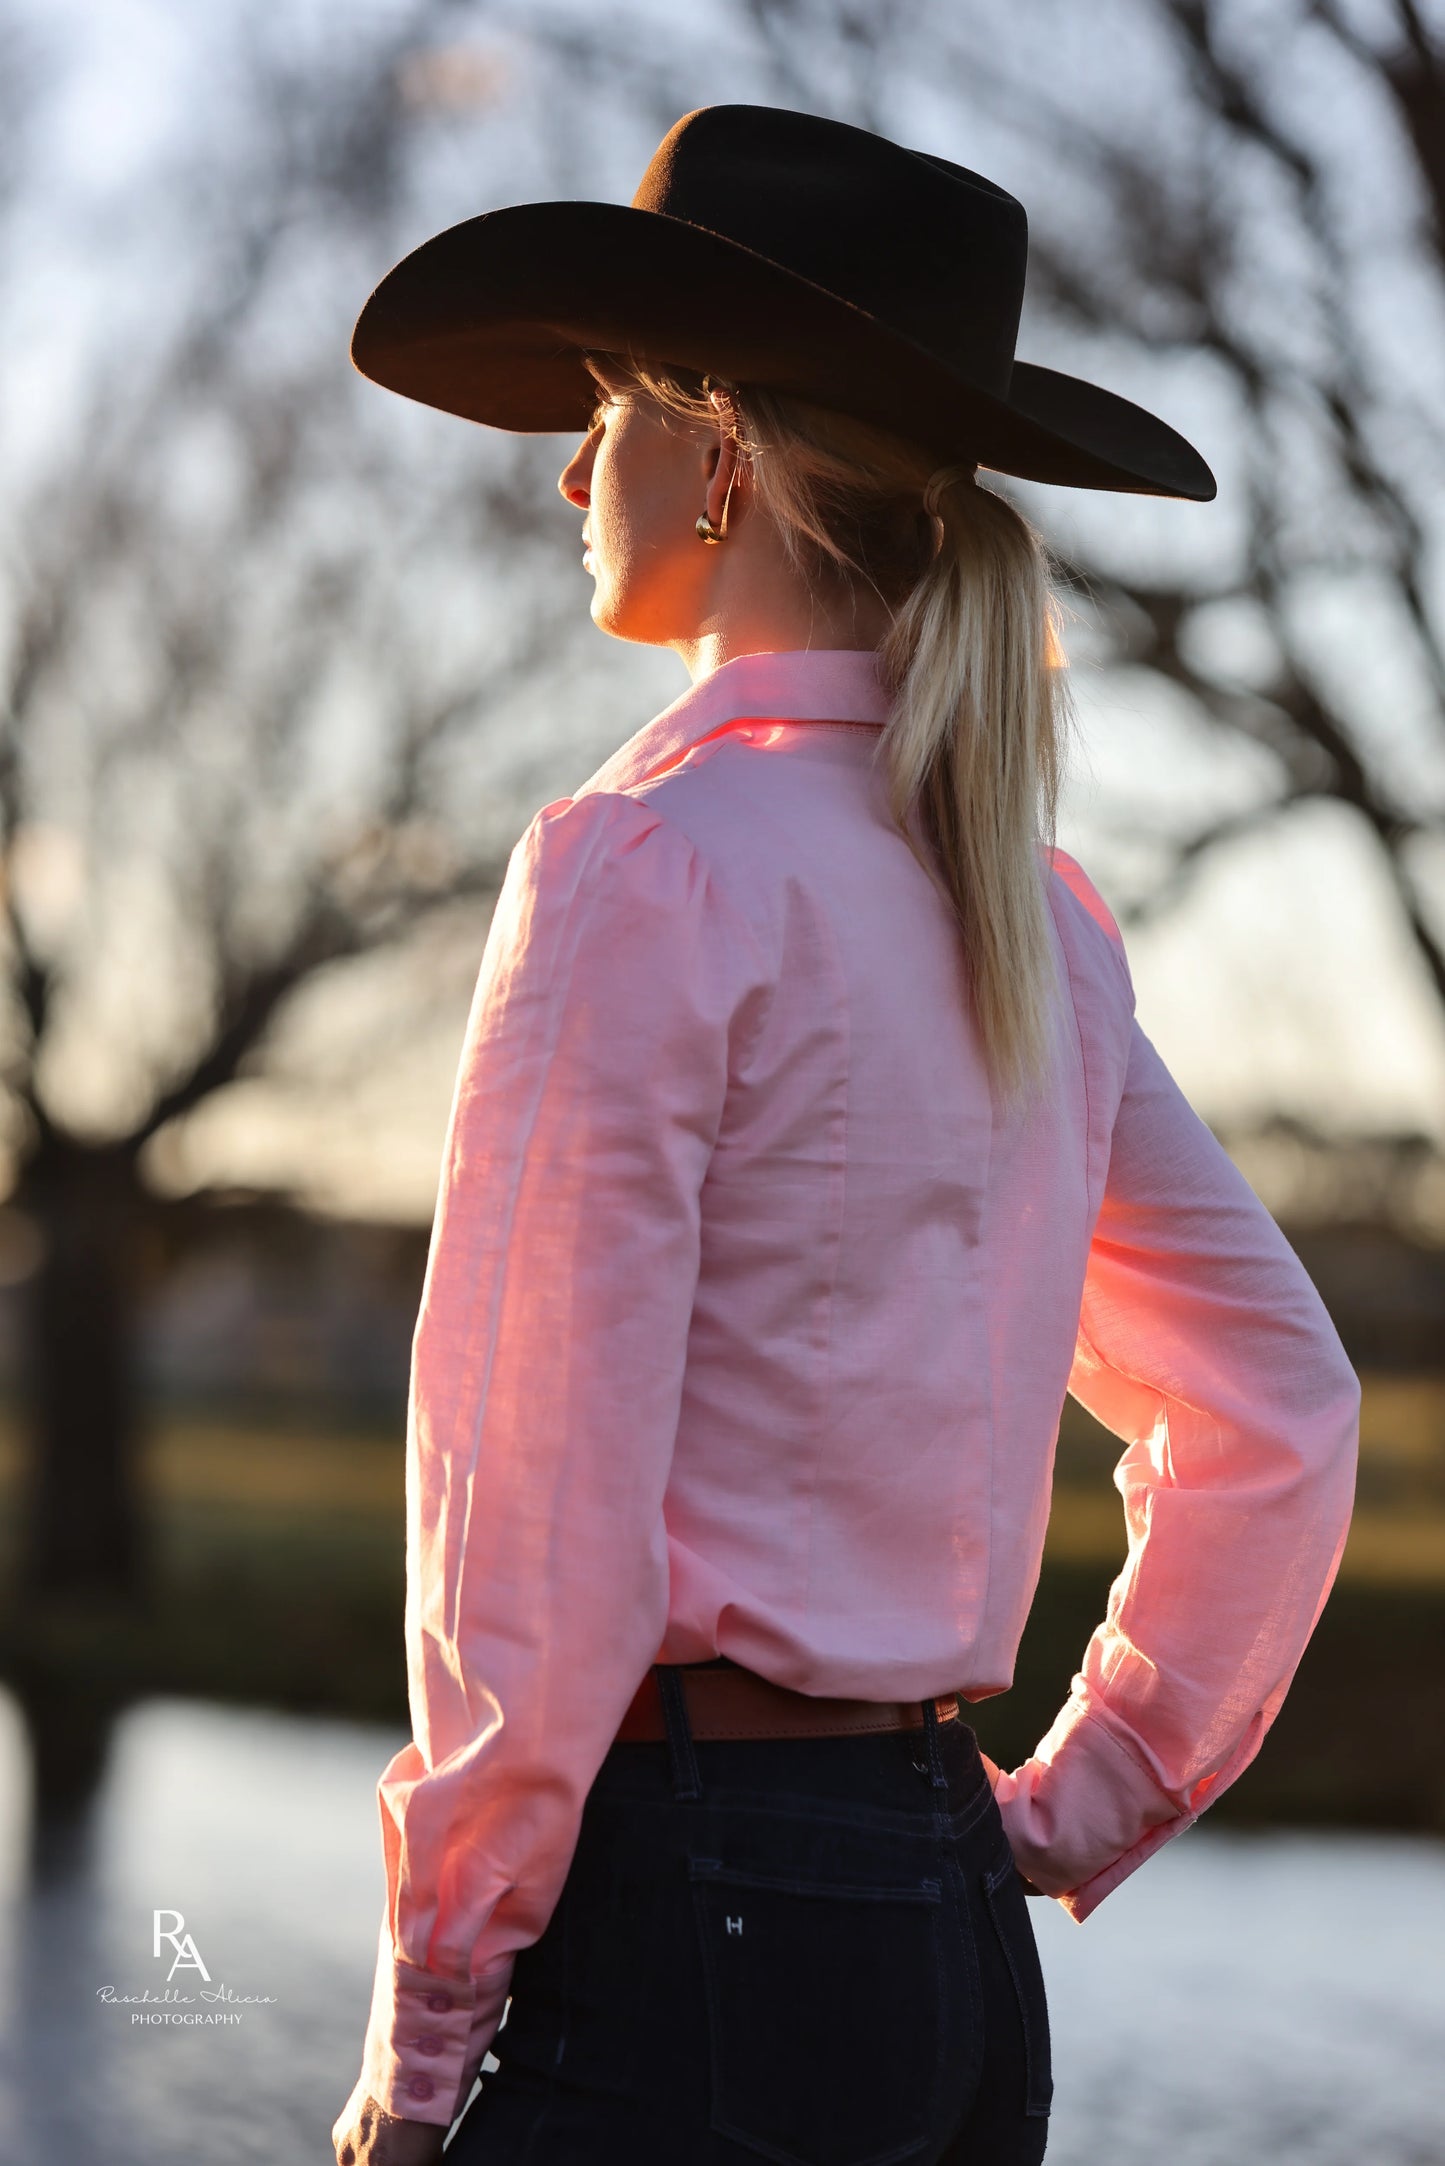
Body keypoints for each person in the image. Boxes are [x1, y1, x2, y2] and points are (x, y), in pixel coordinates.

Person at [330, 105, 1360, 2166]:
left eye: (607, 410)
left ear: (718, 451)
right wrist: (1080, 1799)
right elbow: (1284, 1407)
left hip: (691, 1929)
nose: (566, 466)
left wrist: (428, 2021)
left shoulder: (642, 873)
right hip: (949, 1952)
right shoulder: (1034, 917)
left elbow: (526, 1515)